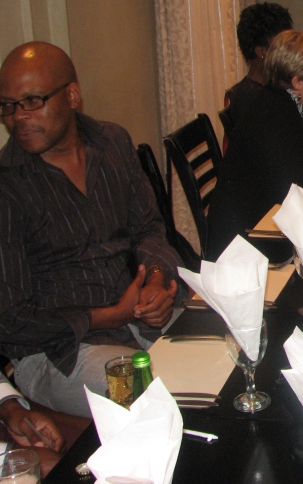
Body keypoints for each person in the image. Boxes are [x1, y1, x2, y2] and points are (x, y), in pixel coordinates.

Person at [0, 42, 182, 418]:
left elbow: (149, 228)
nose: (17, 117)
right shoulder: (7, 186)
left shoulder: (112, 143)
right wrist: (109, 315)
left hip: (135, 317)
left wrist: (155, 280)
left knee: (229, 344)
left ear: (72, 95)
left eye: (32, 101)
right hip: (57, 351)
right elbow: (11, 320)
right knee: (156, 395)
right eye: (7, 106)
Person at [206, 31, 303, 261]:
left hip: (266, 221)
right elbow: (291, 189)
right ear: (297, 81)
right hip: (246, 245)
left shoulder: (292, 106)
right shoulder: (276, 116)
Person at [226, 2, 293, 128]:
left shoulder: (275, 87)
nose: (291, 51)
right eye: (284, 45)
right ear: (262, 52)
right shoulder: (248, 97)